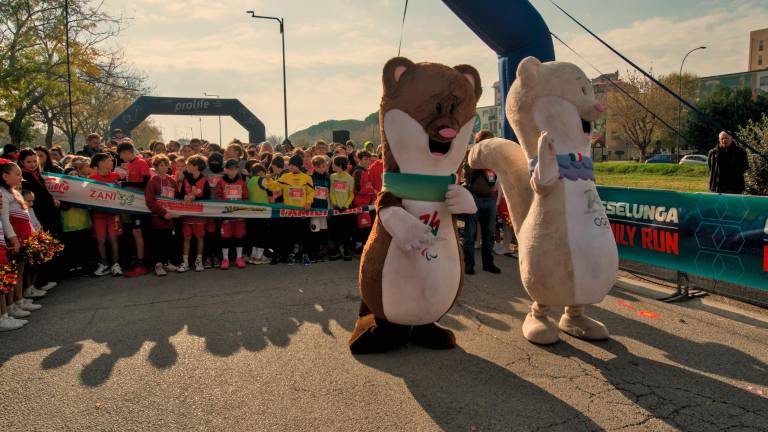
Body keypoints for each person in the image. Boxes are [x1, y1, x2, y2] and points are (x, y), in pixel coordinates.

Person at [0, 160, 43, 323]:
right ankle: (10, 307)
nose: (21, 177)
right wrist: (13, 239)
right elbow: (5, 219)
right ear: (5, 176)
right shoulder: (3, 194)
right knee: (10, 274)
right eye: (17, 174)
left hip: (21, 236)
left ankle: (18, 301)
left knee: (19, 272)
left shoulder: (11, 192)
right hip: (12, 238)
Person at [462, 130, 501, 275]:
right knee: (470, 234)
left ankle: (488, 263)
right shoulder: (473, 155)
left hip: (489, 197)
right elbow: (468, 169)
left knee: (489, 234)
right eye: (489, 141)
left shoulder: (493, 157)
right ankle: (469, 264)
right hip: (474, 197)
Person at [269, 154, 314, 265]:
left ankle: (305, 255)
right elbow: (275, 187)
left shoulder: (307, 177)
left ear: (298, 166)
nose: (290, 167)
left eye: (292, 165)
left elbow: (311, 192)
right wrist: (268, 180)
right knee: (290, 235)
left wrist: (308, 202)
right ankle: (290, 255)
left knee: (304, 235)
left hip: (303, 212)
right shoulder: (285, 177)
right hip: (289, 212)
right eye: (290, 165)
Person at [116, 142, 151, 277]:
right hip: (132, 204)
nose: (121, 158)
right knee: (135, 233)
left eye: (121, 155)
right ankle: (139, 261)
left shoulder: (141, 162)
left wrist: (126, 183)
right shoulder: (129, 164)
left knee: (138, 233)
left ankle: (142, 264)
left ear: (127, 152)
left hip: (140, 203)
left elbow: (146, 182)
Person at [89, 153, 123, 277]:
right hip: (98, 215)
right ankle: (104, 264)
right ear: (101, 163)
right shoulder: (92, 179)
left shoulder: (116, 176)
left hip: (113, 214)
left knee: (114, 239)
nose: (112, 162)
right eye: (109, 160)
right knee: (101, 240)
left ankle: (116, 264)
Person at [144, 154, 179, 276]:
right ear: (156, 167)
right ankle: (158, 265)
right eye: (161, 165)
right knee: (158, 241)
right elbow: (150, 201)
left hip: (170, 218)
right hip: (158, 218)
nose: (164, 167)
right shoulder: (152, 182)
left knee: (168, 241)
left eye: (166, 165)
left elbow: (177, 198)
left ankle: (166, 262)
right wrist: (163, 213)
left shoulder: (172, 181)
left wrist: (174, 212)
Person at [177, 155, 210, 272]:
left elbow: (207, 199)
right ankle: (185, 262)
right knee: (186, 238)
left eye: (189, 165)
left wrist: (196, 196)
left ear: (196, 167)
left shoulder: (204, 180)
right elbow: (179, 195)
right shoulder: (185, 178)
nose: (187, 167)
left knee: (199, 238)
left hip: (199, 216)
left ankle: (199, 261)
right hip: (187, 215)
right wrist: (185, 196)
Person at [215, 159, 249, 269]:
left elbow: (245, 198)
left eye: (235, 169)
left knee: (239, 236)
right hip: (226, 216)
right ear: (225, 170)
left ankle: (239, 258)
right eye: (230, 169)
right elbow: (218, 199)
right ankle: (225, 259)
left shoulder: (241, 182)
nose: (233, 171)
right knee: (226, 237)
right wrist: (222, 216)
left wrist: (242, 213)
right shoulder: (221, 182)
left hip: (239, 216)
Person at [329, 155, 355, 261]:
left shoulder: (349, 178)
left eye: (334, 164)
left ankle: (346, 250)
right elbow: (332, 192)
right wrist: (335, 204)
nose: (332, 166)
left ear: (339, 165)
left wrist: (346, 205)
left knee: (346, 232)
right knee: (336, 231)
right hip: (336, 210)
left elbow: (351, 194)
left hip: (346, 210)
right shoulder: (332, 177)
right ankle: (336, 251)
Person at [245, 163, 271, 264]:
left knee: (254, 234)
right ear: (261, 172)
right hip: (263, 211)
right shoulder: (262, 180)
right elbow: (273, 188)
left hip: (251, 211)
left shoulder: (249, 181)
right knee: (262, 234)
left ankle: (253, 255)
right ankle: (259, 257)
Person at [352, 150, 376, 250]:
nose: (368, 162)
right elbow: (357, 189)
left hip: (367, 203)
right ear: (359, 160)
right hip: (360, 204)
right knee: (363, 226)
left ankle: (362, 246)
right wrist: (371, 190)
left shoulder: (367, 171)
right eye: (365, 159)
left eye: (369, 160)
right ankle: (360, 247)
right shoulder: (358, 172)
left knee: (366, 226)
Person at [309, 155, 331, 261]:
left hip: (324, 208)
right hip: (314, 208)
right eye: (320, 167)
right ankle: (314, 251)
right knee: (314, 229)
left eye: (324, 166)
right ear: (314, 167)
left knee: (324, 229)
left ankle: (323, 250)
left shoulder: (328, 178)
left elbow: (330, 192)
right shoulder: (311, 178)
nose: (323, 169)